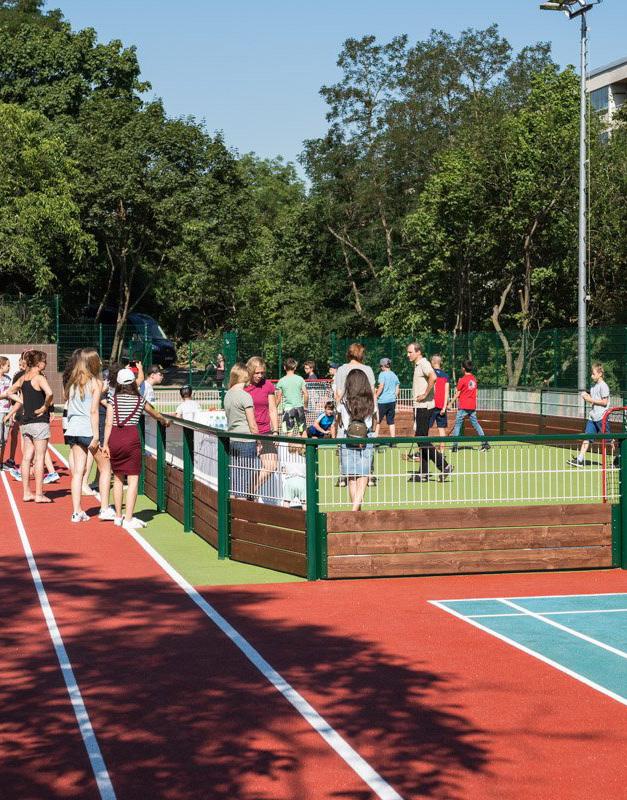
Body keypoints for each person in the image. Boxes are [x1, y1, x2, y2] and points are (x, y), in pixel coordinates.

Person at [102, 367, 171, 532]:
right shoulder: (139, 400)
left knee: (117, 478)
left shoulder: (113, 400)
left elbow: (108, 423)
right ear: (133, 382)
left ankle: (118, 516)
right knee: (132, 479)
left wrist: (105, 444)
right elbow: (154, 413)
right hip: (131, 437)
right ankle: (128, 517)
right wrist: (163, 420)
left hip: (115, 438)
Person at [65, 348, 115, 523]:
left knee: (78, 472)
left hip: (73, 430)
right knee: (106, 468)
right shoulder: (96, 383)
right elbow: (94, 411)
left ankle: (77, 511)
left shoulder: (72, 382)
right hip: (88, 430)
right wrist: (95, 436)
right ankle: (104, 508)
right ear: (93, 362)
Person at [7, 350, 54, 503]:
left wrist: (21, 402)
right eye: (44, 361)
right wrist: (44, 407)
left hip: (26, 423)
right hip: (39, 422)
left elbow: (9, 392)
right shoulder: (39, 378)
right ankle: (39, 494)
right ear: (38, 363)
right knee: (39, 458)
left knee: (27, 458)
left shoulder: (23, 378)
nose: (45, 364)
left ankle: (27, 492)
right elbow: (50, 393)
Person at [406, 342, 453, 482]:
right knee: (422, 438)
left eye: (410, 352)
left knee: (421, 439)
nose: (408, 355)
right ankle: (424, 473)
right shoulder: (419, 365)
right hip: (422, 407)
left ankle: (444, 466)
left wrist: (425, 394)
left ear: (418, 352)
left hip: (424, 407)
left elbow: (433, 377)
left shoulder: (424, 364)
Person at [336, 369, 376, 511]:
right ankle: (356, 510)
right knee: (363, 474)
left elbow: (340, 420)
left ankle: (354, 511)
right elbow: (373, 422)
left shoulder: (344, 401)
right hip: (366, 437)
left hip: (347, 436)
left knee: (351, 476)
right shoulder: (370, 401)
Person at [245, 356, 279, 499]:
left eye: (262, 373)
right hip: (247, 432)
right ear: (250, 371)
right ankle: (244, 495)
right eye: (257, 372)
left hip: (266, 432)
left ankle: (250, 492)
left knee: (272, 466)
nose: (260, 376)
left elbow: (272, 409)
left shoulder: (268, 385)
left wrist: (276, 430)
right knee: (244, 468)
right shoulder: (243, 386)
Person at [223, 363, 259, 499]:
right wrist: (259, 440)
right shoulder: (245, 396)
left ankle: (232, 510)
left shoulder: (228, 395)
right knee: (246, 476)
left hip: (232, 439)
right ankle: (241, 514)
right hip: (246, 440)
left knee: (235, 475)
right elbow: (252, 424)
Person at [568, 362, 611, 467]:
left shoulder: (604, 386)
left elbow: (604, 402)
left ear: (600, 374)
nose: (591, 376)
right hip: (592, 417)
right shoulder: (593, 386)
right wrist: (586, 396)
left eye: (593, 373)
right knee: (587, 437)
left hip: (602, 417)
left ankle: (618, 459)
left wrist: (590, 399)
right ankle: (580, 459)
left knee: (609, 440)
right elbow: (593, 400)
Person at [449, 359, 490, 451]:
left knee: (458, 425)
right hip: (472, 406)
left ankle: (455, 446)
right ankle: (485, 443)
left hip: (463, 406)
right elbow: (476, 393)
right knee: (476, 424)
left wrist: (450, 403)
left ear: (463, 368)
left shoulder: (462, 380)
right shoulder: (474, 379)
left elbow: (457, 393)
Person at [275, 358, 308, 433]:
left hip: (288, 408)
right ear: (295, 367)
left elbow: (278, 398)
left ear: (284, 367)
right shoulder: (300, 379)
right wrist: (305, 406)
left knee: (289, 432)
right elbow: (306, 394)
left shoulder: (281, 381)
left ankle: (291, 445)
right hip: (299, 407)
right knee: (303, 431)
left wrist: (274, 408)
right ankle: (304, 445)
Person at [280, 430, 307, 509]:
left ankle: (285, 515)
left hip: (290, 482)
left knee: (286, 502)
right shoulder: (304, 459)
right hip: (302, 481)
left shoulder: (286, 459)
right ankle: (307, 517)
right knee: (304, 503)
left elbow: (284, 470)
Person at [375, 358, 400, 442]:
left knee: (377, 420)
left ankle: (374, 440)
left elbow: (381, 386)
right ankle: (393, 441)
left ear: (382, 366)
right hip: (392, 401)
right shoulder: (394, 375)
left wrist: (376, 395)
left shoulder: (382, 374)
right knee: (391, 421)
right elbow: (397, 388)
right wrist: (394, 396)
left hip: (382, 401)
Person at [429, 354, 450, 453]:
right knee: (441, 429)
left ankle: (423, 450)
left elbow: (431, 389)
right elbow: (447, 392)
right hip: (442, 406)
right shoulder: (446, 375)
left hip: (432, 405)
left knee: (426, 428)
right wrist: (444, 407)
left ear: (432, 362)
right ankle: (442, 451)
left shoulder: (431, 374)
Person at [0, 356, 12, 469]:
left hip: (7, 412)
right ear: (1, 366)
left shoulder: (8, 379)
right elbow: (6, 394)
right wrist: (4, 395)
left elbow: (11, 394)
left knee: (4, 439)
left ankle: (1, 462)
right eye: (8, 365)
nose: (9, 367)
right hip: (0, 412)